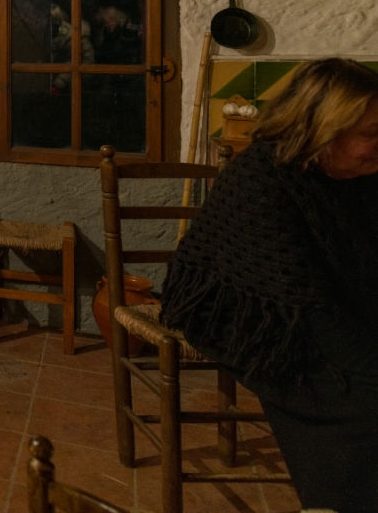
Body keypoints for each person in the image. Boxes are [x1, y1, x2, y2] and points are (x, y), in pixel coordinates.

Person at [161, 58, 378, 513]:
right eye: (371, 134)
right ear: (323, 128)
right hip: (250, 316)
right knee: (355, 402)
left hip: (328, 308)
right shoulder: (263, 176)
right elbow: (298, 307)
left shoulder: (362, 178)